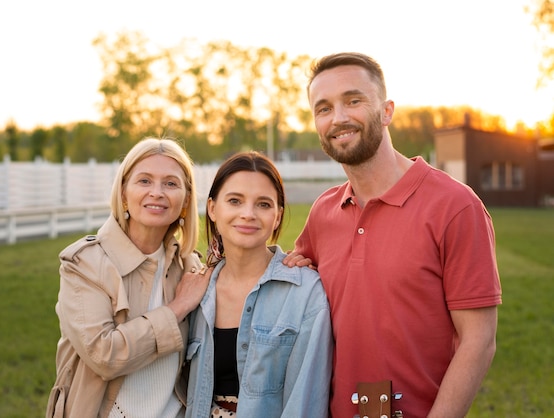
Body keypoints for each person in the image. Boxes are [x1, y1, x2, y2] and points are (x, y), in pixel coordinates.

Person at [283, 52, 502, 418]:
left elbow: (478, 342)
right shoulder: (323, 212)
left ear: (386, 111)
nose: (338, 118)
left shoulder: (455, 206)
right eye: (323, 108)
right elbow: (295, 282)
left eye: (353, 101)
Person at [46, 137, 210, 418]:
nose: (157, 192)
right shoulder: (84, 264)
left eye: (171, 183)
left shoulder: (190, 266)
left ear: (185, 200)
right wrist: (178, 307)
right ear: (123, 193)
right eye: (144, 181)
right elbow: (104, 354)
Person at [185, 151, 333, 418]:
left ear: (277, 216)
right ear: (212, 209)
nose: (248, 214)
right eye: (235, 201)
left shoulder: (305, 293)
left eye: (263, 204)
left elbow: (306, 402)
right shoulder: (197, 292)